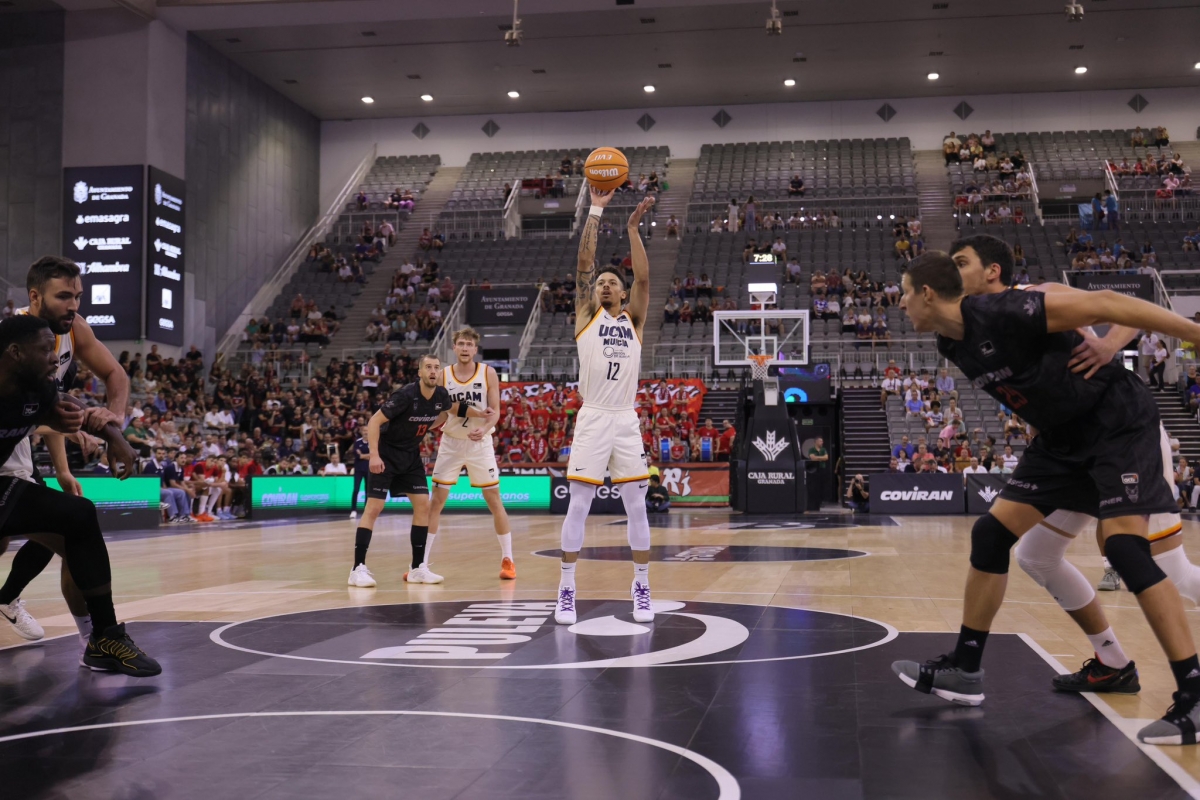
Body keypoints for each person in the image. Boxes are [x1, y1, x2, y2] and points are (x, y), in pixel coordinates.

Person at [894, 249, 1200, 745]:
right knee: (992, 535)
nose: (901, 303)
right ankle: (966, 669)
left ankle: (1194, 693)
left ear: (927, 294)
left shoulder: (1012, 309)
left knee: (1126, 550)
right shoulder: (951, 345)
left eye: (905, 293)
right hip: (1061, 442)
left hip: (1116, 425)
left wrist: (1192, 336)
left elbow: (1112, 303)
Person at [0, 315, 159, 676]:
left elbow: (71, 407)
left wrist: (117, 440)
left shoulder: (36, 388)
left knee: (79, 513)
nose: (55, 359)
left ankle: (104, 638)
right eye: (45, 351)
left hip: (3, 485)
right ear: (15, 352)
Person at [0, 256, 132, 648]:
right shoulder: (15, 339)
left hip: (21, 442)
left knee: (69, 532)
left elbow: (114, 375)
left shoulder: (74, 331)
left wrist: (114, 421)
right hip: (10, 442)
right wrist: (70, 427)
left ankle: (92, 640)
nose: (74, 305)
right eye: (64, 297)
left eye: (78, 296)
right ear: (36, 297)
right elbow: (30, 410)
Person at [556, 189, 656, 627]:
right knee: (579, 504)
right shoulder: (587, 315)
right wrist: (596, 209)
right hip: (594, 415)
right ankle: (565, 588)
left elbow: (646, 281)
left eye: (613, 281)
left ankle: (642, 586)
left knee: (638, 507)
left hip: (625, 418)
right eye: (601, 282)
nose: (605, 284)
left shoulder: (632, 320)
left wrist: (633, 228)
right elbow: (583, 264)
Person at [348, 354, 489, 588]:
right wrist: (374, 455)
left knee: (424, 505)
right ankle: (357, 569)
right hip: (386, 453)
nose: (433, 371)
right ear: (420, 373)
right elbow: (374, 422)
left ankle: (417, 569)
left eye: (436, 367)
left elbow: (454, 408)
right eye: (428, 367)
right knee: (374, 507)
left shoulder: (440, 395)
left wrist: (481, 413)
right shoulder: (405, 395)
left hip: (411, 455)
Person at [427, 327, 515, 581]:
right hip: (451, 442)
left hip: (480, 443)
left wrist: (485, 428)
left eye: (469, 344)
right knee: (436, 502)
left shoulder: (488, 372)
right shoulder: (443, 375)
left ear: (475, 349)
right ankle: (421, 562)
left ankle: (508, 559)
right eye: (461, 344)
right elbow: (444, 411)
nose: (465, 348)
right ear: (454, 348)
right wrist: (421, 426)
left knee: (494, 500)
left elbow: (495, 411)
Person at [349, 432, 370, 520]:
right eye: (365, 432)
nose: (366, 434)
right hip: (358, 470)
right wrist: (366, 455)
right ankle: (353, 510)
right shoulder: (357, 442)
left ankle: (367, 510)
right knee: (356, 489)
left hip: (369, 469)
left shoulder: (373, 442)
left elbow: (373, 455)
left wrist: (363, 455)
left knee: (368, 491)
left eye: (367, 432)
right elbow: (358, 456)